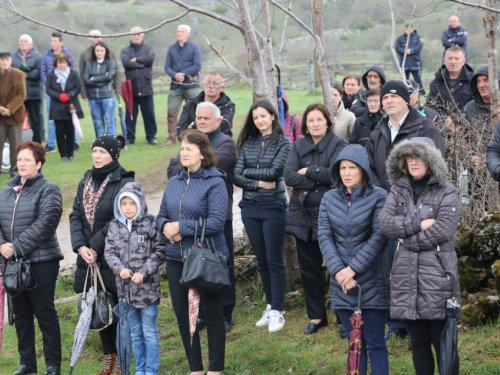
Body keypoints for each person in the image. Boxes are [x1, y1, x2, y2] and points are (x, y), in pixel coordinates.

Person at [378, 137, 461, 375]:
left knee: (443, 343)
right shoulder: (398, 190)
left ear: (431, 160)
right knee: (419, 344)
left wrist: (408, 239)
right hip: (406, 275)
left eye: (419, 157)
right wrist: (420, 223)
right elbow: (385, 223)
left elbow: (444, 229)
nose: (413, 162)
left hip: (437, 277)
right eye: (409, 157)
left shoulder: (448, 191)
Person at [157, 129, 228, 375]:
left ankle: (215, 370)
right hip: (177, 258)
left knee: (212, 316)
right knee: (183, 318)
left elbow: (217, 222)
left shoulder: (215, 181)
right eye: (182, 149)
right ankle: (196, 370)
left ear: (202, 153)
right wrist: (166, 227)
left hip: (206, 258)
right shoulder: (174, 181)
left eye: (189, 149)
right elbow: (161, 216)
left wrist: (181, 228)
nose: (183, 153)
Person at [318, 144, 389, 375]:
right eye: (342, 168)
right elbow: (324, 236)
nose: (346, 173)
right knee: (354, 343)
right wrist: (340, 271)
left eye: (352, 168)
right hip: (342, 284)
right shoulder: (329, 198)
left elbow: (379, 237)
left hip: (370, 281)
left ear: (363, 171)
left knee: (375, 342)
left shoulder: (379, 196)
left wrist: (353, 269)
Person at [167, 102, 237, 332]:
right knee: (197, 265)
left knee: (219, 265)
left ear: (218, 121)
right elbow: (173, 171)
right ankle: (203, 314)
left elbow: (217, 164)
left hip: (218, 216)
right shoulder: (188, 144)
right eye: (199, 117)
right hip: (190, 217)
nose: (202, 121)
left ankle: (223, 312)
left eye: (207, 118)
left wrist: (191, 160)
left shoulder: (225, 142)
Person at [70, 134, 134, 375]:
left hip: (114, 256)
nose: (97, 156)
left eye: (102, 152)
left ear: (113, 155)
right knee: (99, 306)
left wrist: (94, 246)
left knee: (116, 308)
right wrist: (80, 246)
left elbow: (120, 218)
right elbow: (75, 215)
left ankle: (120, 362)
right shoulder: (86, 180)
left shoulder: (124, 182)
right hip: (89, 257)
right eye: (94, 151)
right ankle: (109, 359)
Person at [0, 141, 63, 375]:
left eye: (27, 159)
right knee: (21, 314)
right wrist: (2, 246)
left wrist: (14, 247)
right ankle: (27, 363)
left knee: (44, 312)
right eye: (19, 159)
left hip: (42, 262)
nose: (22, 163)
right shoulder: (7, 190)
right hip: (13, 264)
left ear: (39, 163)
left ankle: (52, 365)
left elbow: (45, 225)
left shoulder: (49, 189)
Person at [284, 103, 346, 334]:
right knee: (310, 268)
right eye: (310, 120)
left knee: (338, 266)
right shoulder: (298, 146)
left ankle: (343, 316)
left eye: (319, 119)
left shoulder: (339, 144)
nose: (315, 124)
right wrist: (320, 177)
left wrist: (308, 171)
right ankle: (317, 316)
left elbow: (338, 175)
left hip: (332, 215)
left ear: (328, 122)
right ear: (306, 125)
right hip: (304, 216)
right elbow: (289, 175)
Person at [233, 100, 292, 332]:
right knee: (262, 259)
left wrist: (248, 172)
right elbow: (236, 176)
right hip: (249, 207)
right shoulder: (248, 143)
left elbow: (275, 173)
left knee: (275, 259)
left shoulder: (284, 143)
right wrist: (257, 181)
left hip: (273, 206)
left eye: (263, 116)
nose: (259, 121)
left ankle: (278, 310)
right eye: (255, 117)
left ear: (272, 117)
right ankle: (270, 305)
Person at [104, 182, 166, 375]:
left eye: (132, 203)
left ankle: (151, 370)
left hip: (147, 292)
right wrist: (120, 268)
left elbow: (160, 250)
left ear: (140, 203)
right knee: (136, 334)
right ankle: (140, 369)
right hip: (125, 293)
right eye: (124, 203)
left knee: (149, 333)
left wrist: (144, 272)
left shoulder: (151, 223)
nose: (128, 207)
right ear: (118, 206)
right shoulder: (114, 226)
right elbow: (109, 252)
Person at [366, 80, 446, 193]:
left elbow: (437, 167)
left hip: (415, 202)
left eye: (394, 96)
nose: (389, 101)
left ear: (406, 100)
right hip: (383, 202)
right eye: (385, 98)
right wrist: (380, 194)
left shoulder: (425, 128)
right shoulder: (377, 132)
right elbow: (368, 167)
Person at [163, 24, 202, 146]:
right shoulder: (171, 49)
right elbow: (167, 67)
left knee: (194, 111)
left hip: (191, 85)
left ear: (188, 34)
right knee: (172, 112)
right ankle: (171, 138)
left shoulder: (194, 48)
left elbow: (197, 65)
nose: (179, 33)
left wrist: (183, 74)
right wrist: (175, 75)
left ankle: (194, 137)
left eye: (182, 31)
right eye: (178, 31)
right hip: (175, 86)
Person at [40, 32, 77, 154]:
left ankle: (74, 143)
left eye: (55, 41)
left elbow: (72, 71)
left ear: (61, 42)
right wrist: (50, 86)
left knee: (71, 117)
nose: (53, 43)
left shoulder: (67, 53)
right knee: (52, 119)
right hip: (52, 93)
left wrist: (67, 90)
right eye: (51, 41)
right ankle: (51, 144)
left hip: (67, 93)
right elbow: (43, 72)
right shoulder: (46, 55)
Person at [120, 26, 158, 145]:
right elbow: (126, 63)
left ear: (143, 35)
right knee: (130, 114)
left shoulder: (149, 49)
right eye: (134, 34)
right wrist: (142, 64)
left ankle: (151, 136)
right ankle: (130, 138)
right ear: (130, 36)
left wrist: (135, 60)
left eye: (138, 34)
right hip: (131, 88)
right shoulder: (125, 51)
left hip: (146, 87)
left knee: (149, 114)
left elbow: (150, 59)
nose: (136, 36)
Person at [45, 53, 84, 162]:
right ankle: (63, 155)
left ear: (67, 63)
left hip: (70, 106)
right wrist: (59, 96)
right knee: (60, 132)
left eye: (64, 62)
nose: (62, 65)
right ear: (56, 63)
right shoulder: (51, 74)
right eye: (59, 63)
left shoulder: (73, 73)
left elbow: (78, 87)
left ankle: (70, 154)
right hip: (57, 107)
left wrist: (69, 95)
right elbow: (48, 89)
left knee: (70, 131)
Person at [173, 71, 235, 139]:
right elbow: (180, 131)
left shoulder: (228, 106)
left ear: (222, 88)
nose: (210, 86)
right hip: (194, 144)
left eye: (215, 83)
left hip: (219, 145)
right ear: (204, 85)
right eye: (208, 83)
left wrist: (193, 126)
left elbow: (224, 127)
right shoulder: (191, 104)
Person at [11, 34, 43, 143]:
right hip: (17, 94)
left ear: (30, 44)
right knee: (15, 118)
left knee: (35, 120)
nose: (23, 43)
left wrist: (27, 75)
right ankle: (15, 141)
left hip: (34, 93)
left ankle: (37, 143)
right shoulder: (12, 56)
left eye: (26, 41)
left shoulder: (38, 56)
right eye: (21, 41)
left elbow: (40, 72)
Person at [426, 46, 473, 118]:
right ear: (444, 61)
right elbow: (430, 105)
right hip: (441, 125)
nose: (453, 62)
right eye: (450, 58)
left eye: (456, 58)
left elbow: (474, 105)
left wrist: (456, 119)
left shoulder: (472, 82)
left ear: (463, 61)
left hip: (467, 125)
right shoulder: (436, 83)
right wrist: (444, 119)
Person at [0, 50, 26, 178]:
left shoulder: (18, 74)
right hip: (0, 117)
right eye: (2, 60)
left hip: (15, 116)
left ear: (10, 61)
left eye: (7, 60)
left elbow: (21, 95)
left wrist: (9, 109)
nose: (4, 62)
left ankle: (15, 170)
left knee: (15, 145)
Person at [84, 41, 117, 137]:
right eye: (97, 50)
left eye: (102, 50)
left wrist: (94, 79)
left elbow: (110, 76)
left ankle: (111, 146)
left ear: (105, 51)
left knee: (110, 123)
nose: (99, 52)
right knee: (98, 124)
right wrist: (101, 83)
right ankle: (101, 146)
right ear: (94, 51)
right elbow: (86, 80)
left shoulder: (110, 63)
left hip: (107, 97)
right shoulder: (89, 64)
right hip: (93, 98)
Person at [79, 30, 121, 102]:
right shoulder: (84, 54)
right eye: (96, 38)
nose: (99, 40)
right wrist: (84, 94)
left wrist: (117, 90)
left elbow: (116, 72)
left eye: (100, 37)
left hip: (107, 92)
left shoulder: (110, 52)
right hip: (92, 93)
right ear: (90, 41)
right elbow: (82, 76)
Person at [395, 24, 425, 94]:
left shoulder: (418, 38)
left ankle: (420, 92)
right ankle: (406, 92)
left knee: (418, 80)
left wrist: (411, 51)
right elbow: (397, 48)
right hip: (404, 63)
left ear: (413, 29)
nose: (408, 30)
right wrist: (405, 51)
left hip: (415, 63)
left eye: (409, 29)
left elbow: (419, 47)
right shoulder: (400, 39)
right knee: (405, 80)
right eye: (406, 29)